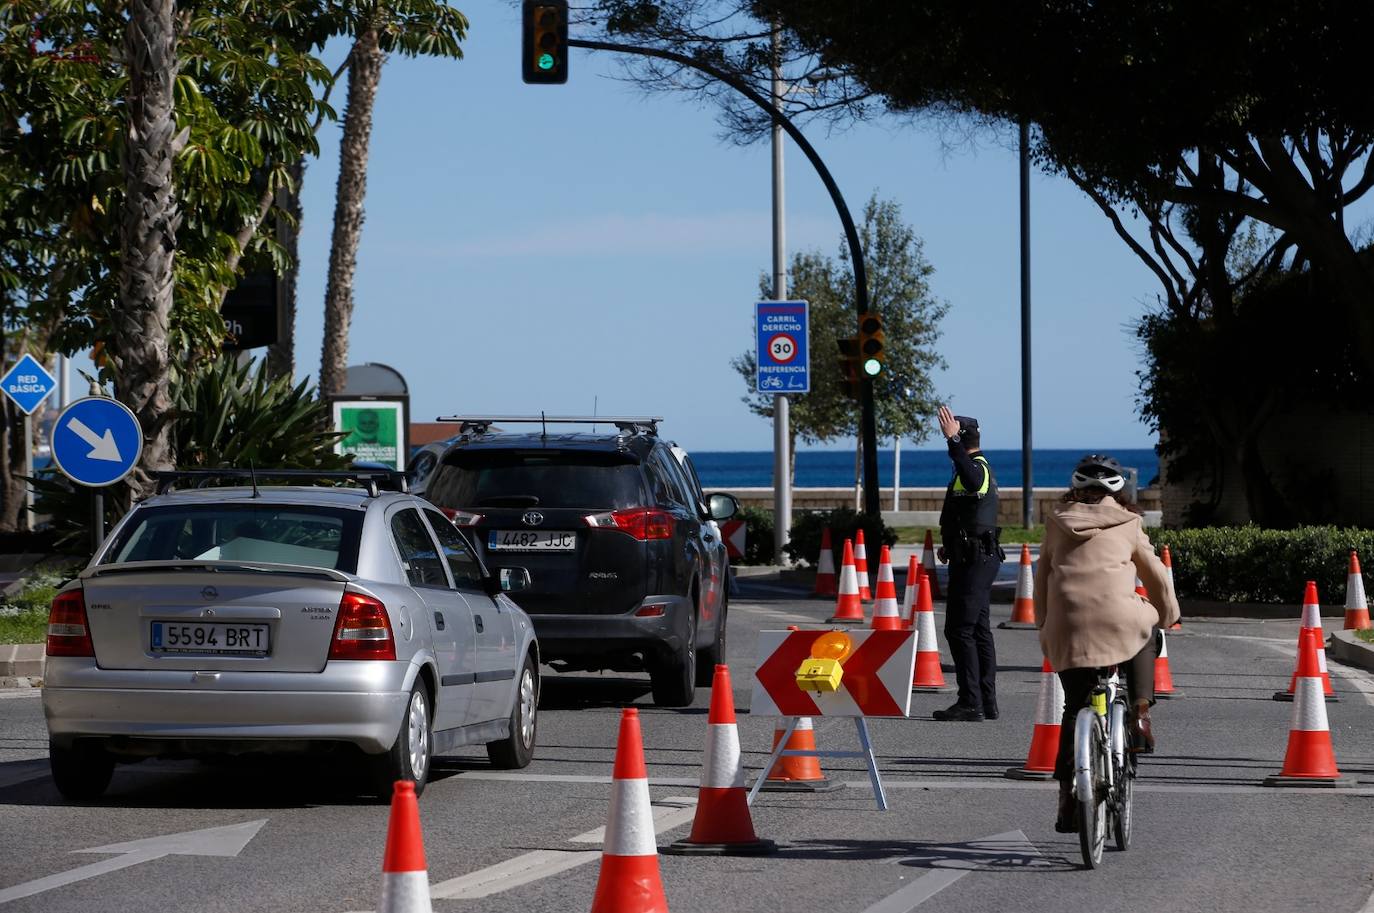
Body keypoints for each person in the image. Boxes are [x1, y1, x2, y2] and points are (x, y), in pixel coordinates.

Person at [1033, 453, 1180, 832]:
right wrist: (1167, 615)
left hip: (1067, 626)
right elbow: (1156, 576)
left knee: (1073, 708)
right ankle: (1141, 712)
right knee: (1146, 628)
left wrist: (1044, 624)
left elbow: (1042, 578)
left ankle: (1068, 800)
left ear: (1075, 488)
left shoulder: (1056, 522)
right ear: (1120, 490)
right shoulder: (1129, 522)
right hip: (1118, 620)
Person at [932, 405, 1004, 722]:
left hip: (976, 559)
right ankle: (986, 701)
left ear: (961, 437)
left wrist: (953, 442)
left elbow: (972, 481)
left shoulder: (977, 468)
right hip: (970, 555)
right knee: (977, 629)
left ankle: (970, 702)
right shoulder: (968, 468)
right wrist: (949, 544)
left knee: (959, 630)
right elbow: (965, 511)